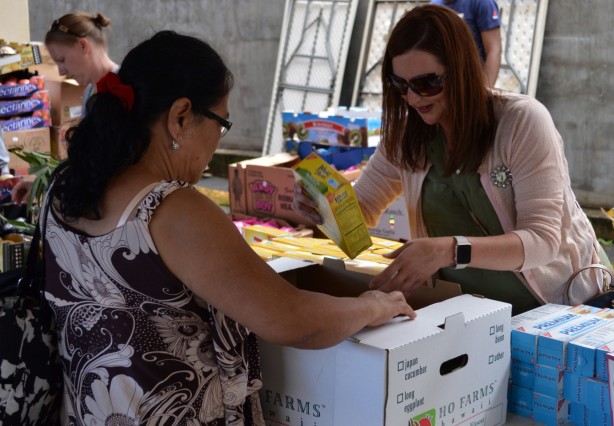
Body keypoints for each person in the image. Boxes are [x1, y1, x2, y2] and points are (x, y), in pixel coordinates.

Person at [42, 30, 415, 425]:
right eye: (220, 123)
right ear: (180, 116)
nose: (217, 143)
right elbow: (292, 319)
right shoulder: (174, 210)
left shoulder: (62, 190)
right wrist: (370, 306)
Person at [293, 4, 608, 316]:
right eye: (400, 85)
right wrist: (323, 206)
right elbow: (361, 209)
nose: (414, 98)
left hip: (560, 312)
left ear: (462, 69)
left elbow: (542, 242)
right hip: (471, 318)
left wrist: (449, 250)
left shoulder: (521, 122)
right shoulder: (406, 137)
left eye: (427, 83)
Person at [11, 11, 119, 204]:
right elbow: (86, 159)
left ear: (83, 45)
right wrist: (42, 182)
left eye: (61, 60)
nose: (61, 71)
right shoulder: (89, 93)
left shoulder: (122, 86)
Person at [430, 0, 502, 87]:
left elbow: (494, 49)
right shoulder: (433, 6)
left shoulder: (481, 3)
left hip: (473, 82)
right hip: (446, 84)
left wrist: (486, 89)